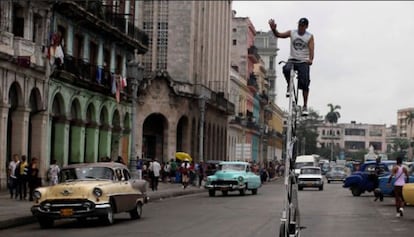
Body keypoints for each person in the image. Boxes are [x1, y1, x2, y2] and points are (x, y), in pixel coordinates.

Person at [268, 17, 314, 116]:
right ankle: (289, 84)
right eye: (299, 25)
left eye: (302, 26)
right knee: (286, 69)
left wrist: (310, 60)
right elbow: (279, 35)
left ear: (306, 26)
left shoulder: (309, 37)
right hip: (292, 59)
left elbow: (311, 50)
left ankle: (305, 106)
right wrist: (273, 29)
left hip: (303, 61)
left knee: (305, 82)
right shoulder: (292, 33)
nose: (300, 28)